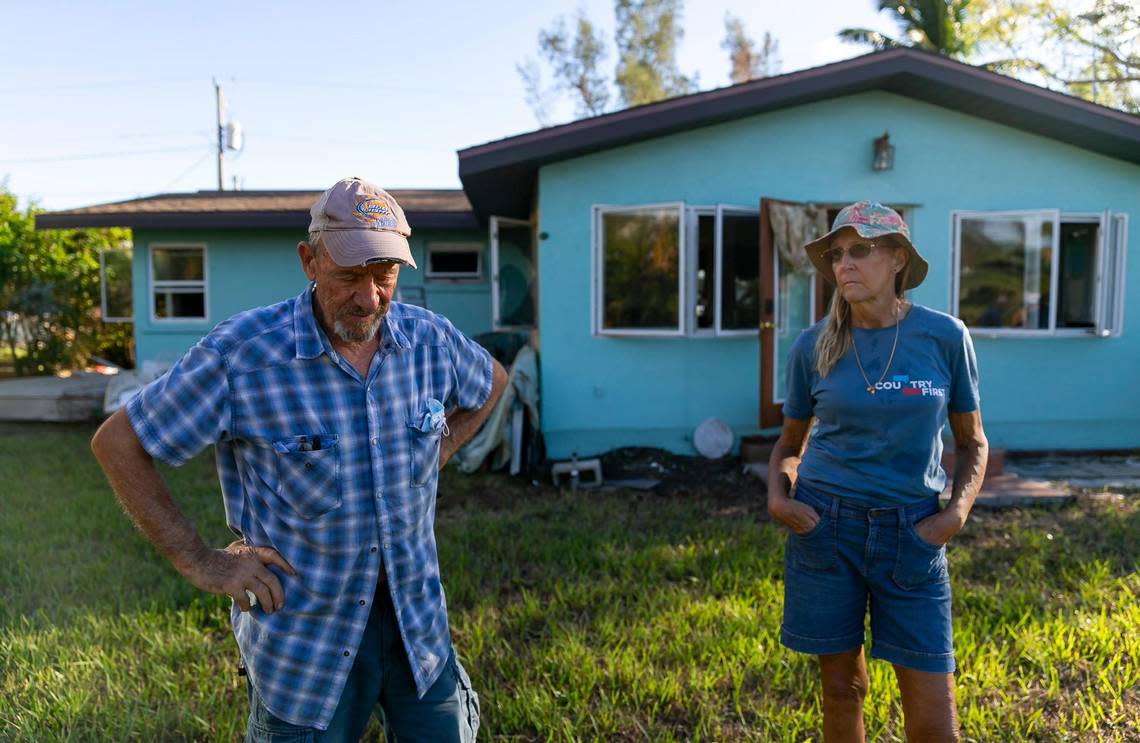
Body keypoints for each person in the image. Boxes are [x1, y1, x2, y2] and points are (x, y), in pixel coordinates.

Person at [91, 176, 508, 742]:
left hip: (420, 632)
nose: (370, 298)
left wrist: (439, 452)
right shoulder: (245, 355)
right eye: (349, 276)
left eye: (384, 276)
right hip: (305, 650)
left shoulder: (430, 341)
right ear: (309, 261)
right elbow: (120, 442)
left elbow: (491, 382)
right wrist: (203, 563)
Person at [766, 202, 988, 742]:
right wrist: (779, 499)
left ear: (896, 259)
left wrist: (953, 516)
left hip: (912, 534)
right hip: (826, 530)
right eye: (837, 254)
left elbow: (972, 442)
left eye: (860, 250)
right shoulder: (812, 346)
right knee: (843, 691)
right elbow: (789, 446)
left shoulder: (944, 336)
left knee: (935, 720)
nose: (844, 263)